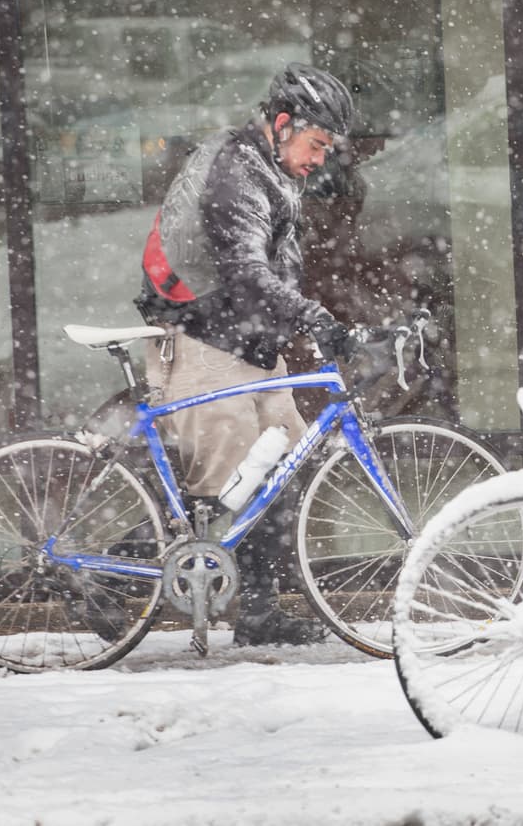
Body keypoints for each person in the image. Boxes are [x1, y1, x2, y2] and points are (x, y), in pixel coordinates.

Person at [136, 62, 358, 646]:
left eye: (327, 148)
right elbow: (245, 275)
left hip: (247, 342)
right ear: (283, 124)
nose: (320, 159)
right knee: (223, 489)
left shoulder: (270, 167)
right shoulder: (237, 171)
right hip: (202, 341)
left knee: (277, 468)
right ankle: (110, 582)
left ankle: (260, 612)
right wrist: (313, 317)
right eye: (315, 144)